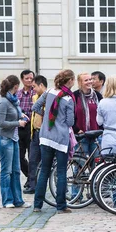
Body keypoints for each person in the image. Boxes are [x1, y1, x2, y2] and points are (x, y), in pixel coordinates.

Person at [32, 69, 75, 214]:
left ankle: (37, 205)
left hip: (45, 136)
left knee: (44, 170)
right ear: (69, 81)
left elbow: (35, 106)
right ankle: (61, 205)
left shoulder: (49, 91)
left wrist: (46, 118)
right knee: (61, 171)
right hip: (61, 139)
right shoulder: (68, 99)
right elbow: (70, 121)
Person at [0, 75, 30, 208]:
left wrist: (21, 114)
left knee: (15, 170)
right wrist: (18, 123)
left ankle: (18, 200)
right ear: (15, 86)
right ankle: (7, 200)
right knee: (6, 171)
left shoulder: (14, 100)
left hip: (14, 139)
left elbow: (16, 110)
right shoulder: (3, 101)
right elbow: (1, 123)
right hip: (4, 139)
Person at [72, 73, 103, 198]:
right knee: (79, 165)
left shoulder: (97, 95)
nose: (89, 82)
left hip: (95, 135)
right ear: (80, 82)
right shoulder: (75, 96)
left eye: (90, 79)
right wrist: (75, 128)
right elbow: (70, 114)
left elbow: (102, 113)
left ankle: (93, 194)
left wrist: (101, 128)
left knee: (95, 166)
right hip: (81, 136)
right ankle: (76, 194)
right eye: (86, 80)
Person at [25, 74, 48, 194]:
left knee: (46, 161)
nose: (33, 89)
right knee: (32, 160)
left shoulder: (49, 97)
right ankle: (33, 185)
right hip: (35, 133)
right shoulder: (35, 97)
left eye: (34, 86)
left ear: (41, 85)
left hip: (45, 133)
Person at [17, 69, 35, 189]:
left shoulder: (36, 93)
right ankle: (30, 177)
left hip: (31, 126)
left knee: (32, 155)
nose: (29, 80)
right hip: (19, 126)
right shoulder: (17, 93)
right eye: (26, 78)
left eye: (31, 78)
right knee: (19, 156)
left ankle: (32, 180)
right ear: (22, 80)